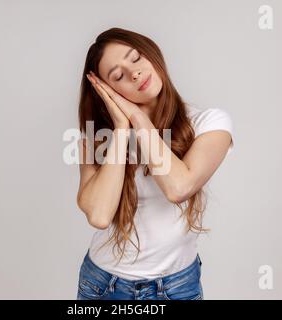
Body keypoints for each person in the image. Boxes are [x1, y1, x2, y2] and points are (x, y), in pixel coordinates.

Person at [76, 27, 234, 300]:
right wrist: (122, 128)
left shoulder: (209, 124)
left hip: (178, 287)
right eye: (118, 76)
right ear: (108, 92)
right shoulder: (99, 139)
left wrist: (138, 117)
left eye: (136, 58)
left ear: (152, 54)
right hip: (104, 285)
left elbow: (178, 187)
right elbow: (99, 216)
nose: (134, 73)